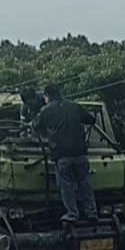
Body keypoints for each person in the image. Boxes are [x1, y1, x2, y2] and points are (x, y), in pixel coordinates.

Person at [33, 83, 98, 222]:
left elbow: (35, 126)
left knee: (66, 186)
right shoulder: (74, 106)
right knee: (84, 184)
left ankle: (72, 214)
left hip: (62, 156)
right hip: (80, 154)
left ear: (47, 96)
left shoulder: (46, 110)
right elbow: (91, 119)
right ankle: (92, 212)